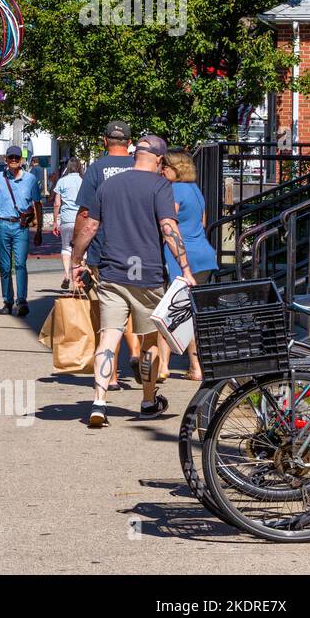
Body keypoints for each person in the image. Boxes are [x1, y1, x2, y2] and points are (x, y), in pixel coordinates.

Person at [72, 134, 196, 428]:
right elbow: (168, 228)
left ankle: (99, 403)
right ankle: (148, 400)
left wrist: (77, 261)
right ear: (158, 159)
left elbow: (89, 226)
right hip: (148, 276)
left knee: (108, 339)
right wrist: (185, 268)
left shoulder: (109, 185)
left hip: (113, 274)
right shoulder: (160, 186)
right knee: (150, 342)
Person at [74, 120, 140, 385]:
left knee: (107, 312)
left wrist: (77, 249)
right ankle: (135, 352)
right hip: (137, 249)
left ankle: (110, 375)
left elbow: (86, 213)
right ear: (129, 142)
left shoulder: (97, 169)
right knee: (134, 306)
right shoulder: (140, 167)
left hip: (104, 250)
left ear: (104, 141)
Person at [161, 149, 217, 381]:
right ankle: (196, 366)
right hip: (204, 255)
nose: (162, 170)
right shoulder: (196, 191)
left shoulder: (173, 190)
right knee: (193, 313)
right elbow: (202, 222)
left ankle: (164, 365)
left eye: (165, 166)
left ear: (176, 168)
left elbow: (168, 224)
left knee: (168, 312)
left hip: (182, 257)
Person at [0, 145, 42, 316]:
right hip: (2, 225)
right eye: (11, 158)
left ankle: (21, 300)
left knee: (20, 264)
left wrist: (39, 229)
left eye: (17, 157)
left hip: (21, 227)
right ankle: (7, 301)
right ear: (6, 160)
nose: (14, 160)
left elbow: (37, 205)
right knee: (5, 266)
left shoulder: (30, 179)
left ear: (21, 160)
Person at [52, 157, 85, 291]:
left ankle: (66, 275)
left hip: (66, 219)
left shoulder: (62, 181)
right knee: (81, 249)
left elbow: (57, 203)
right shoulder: (84, 181)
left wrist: (55, 221)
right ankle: (78, 279)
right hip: (81, 219)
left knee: (66, 248)